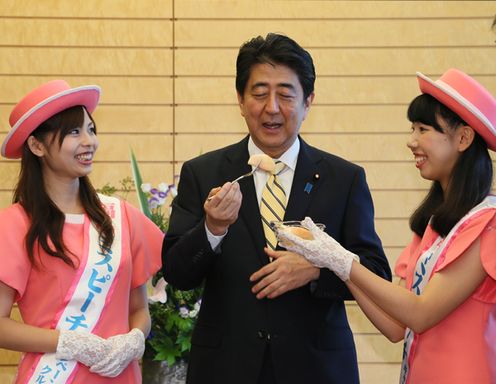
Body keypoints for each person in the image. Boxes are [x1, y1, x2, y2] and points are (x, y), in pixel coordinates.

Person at [162, 33, 391, 384]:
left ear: (308, 101)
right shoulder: (204, 172)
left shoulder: (343, 179)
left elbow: (376, 274)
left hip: (317, 369)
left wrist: (317, 270)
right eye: (259, 93)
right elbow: (177, 274)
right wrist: (213, 229)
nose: (272, 107)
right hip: (226, 368)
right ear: (240, 100)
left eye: (285, 94)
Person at [276, 69, 496, 383]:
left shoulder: (487, 222)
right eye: (412, 129)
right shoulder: (435, 225)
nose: (412, 142)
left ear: (463, 138)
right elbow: (396, 326)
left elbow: (421, 314)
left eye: (423, 129)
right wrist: (336, 263)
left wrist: (340, 258)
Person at [0, 80, 163, 383]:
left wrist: (135, 338)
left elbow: (139, 308)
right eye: (74, 132)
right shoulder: (13, 225)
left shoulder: (121, 216)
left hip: (120, 375)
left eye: (91, 129)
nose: (89, 141)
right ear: (36, 145)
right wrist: (68, 342)